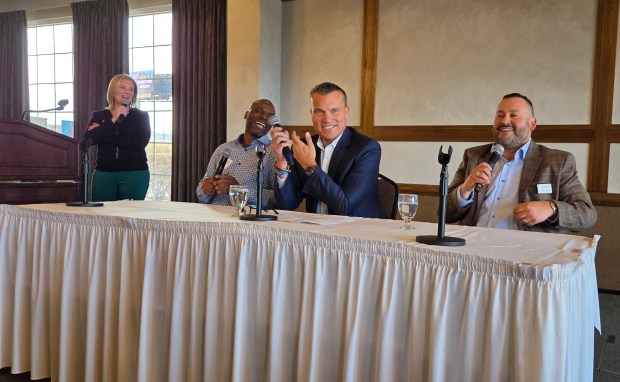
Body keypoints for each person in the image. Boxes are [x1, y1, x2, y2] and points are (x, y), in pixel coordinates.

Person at [446, 93, 597, 233]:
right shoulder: (474, 156)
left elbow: (586, 213)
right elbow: (445, 213)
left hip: (526, 254)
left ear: (532, 124)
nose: (504, 121)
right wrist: (465, 190)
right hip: (472, 248)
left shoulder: (558, 162)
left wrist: (551, 208)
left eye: (513, 115)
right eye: (500, 115)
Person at [270, 82, 382, 218]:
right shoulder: (303, 147)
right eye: (319, 111)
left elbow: (345, 206)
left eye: (334, 110)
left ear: (346, 112)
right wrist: (281, 163)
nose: (327, 119)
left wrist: (310, 166)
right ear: (311, 114)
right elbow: (287, 205)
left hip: (358, 232)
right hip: (316, 231)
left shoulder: (367, 148)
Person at [196, 99, 278, 210]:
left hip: (246, 221)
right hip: (213, 216)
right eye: (258, 111)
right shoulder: (223, 149)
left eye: (269, 116)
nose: (264, 117)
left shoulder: (274, 154)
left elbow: (277, 199)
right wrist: (205, 189)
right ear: (246, 114)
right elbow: (202, 195)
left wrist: (238, 190)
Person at [83, 74, 151, 201]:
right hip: (104, 173)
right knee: (102, 216)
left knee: (130, 217)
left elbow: (139, 143)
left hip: (135, 172)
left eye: (131, 89)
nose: (128, 92)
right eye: (123, 87)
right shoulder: (99, 115)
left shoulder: (141, 116)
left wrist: (103, 132)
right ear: (113, 90)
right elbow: (88, 139)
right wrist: (112, 119)